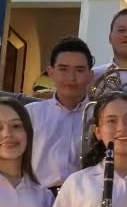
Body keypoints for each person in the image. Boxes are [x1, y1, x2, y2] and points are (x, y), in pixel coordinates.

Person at [27, 37, 92, 190]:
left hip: (84, 199)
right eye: (63, 69)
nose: (71, 78)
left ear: (90, 76)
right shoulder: (29, 114)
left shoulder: (101, 116)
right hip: (38, 197)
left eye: (79, 70)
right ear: (51, 73)